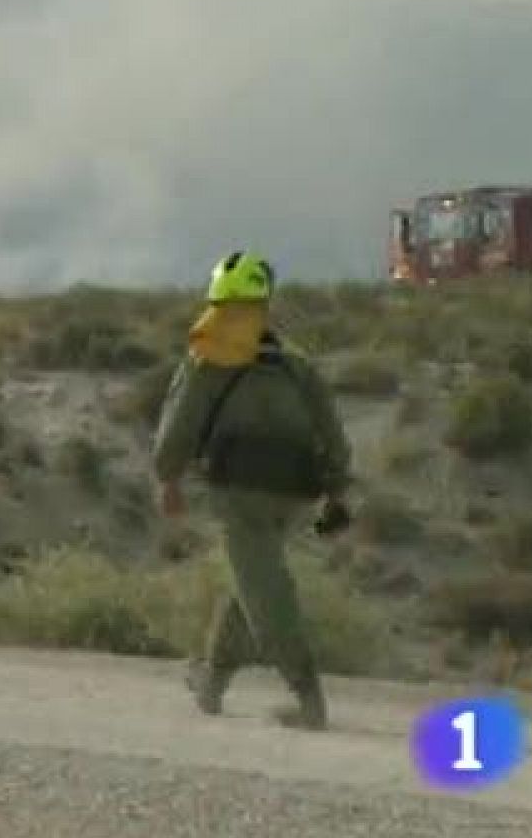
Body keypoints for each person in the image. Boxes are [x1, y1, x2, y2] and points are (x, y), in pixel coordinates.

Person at [151, 250, 352, 730]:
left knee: (265, 590)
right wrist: (337, 489)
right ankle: (212, 682)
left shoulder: (206, 362)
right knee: (253, 582)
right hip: (294, 494)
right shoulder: (296, 364)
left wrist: (168, 478)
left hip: (239, 494)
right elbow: (333, 433)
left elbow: (177, 430)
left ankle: (308, 697)